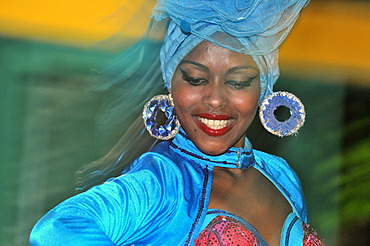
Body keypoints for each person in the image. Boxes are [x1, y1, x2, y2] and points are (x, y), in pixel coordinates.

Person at [30, 0, 324, 245]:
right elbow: (56, 230)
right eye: (196, 79)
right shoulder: (162, 182)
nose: (215, 99)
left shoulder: (282, 176)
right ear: (171, 83)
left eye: (238, 82)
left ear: (263, 89)